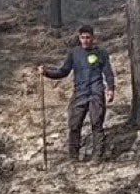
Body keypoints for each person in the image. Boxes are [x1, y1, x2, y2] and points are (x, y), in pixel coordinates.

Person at [39, 25, 116, 162]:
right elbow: (63, 71)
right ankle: (73, 157)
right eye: (82, 38)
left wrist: (110, 89)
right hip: (80, 93)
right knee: (74, 125)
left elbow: (108, 72)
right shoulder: (74, 53)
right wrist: (46, 72)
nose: (85, 40)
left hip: (96, 92)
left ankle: (97, 156)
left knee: (97, 124)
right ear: (79, 38)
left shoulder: (101, 53)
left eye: (88, 37)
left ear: (93, 38)